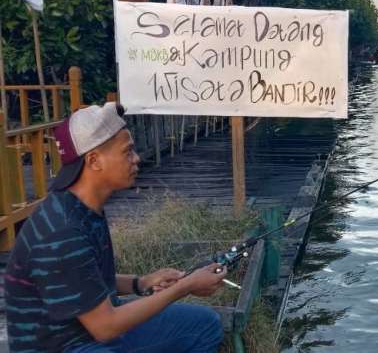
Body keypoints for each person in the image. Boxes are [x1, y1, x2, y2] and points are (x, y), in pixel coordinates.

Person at [4, 103, 227, 353]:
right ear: (94, 160)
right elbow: (106, 327)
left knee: (205, 326)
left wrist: (140, 283)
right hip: (64, 345)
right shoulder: (62, 231)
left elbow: (84, 281)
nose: (137, 158)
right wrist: (185, 287)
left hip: (87, 333)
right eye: (128, 151)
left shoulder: (84, 207)